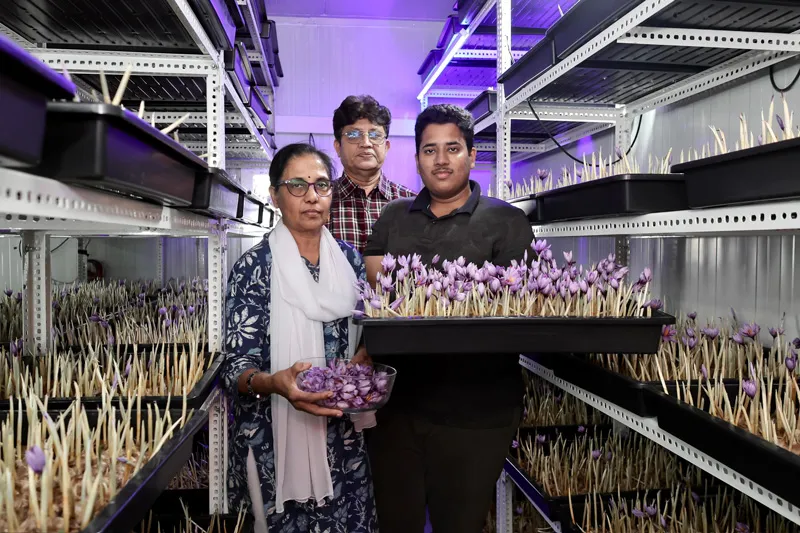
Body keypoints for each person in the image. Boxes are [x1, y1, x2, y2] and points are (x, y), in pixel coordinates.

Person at [363, 104, 535, 533]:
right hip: (397, 411)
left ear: (472, 155)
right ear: (417, 157)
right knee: (396, 522)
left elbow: (513, 306)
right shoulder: (393, 217)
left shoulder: (507, 221)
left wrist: (420, 290)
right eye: (429, 150)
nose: (440, 160)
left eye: (452, 148)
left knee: (458, 522)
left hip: (476, 412)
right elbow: (378, 292)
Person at [221, 143, 378, 533]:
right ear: (274, 195)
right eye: (297, 185)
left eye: (322, 185)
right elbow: (235, 370)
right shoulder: (254, 268)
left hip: (341, 436)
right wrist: (275, 382)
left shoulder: (349, 260)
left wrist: (366, 357)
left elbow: (363, 335)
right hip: (272, 439)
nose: (311, 196)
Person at [328, 94, 416, 253]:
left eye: (375, 135)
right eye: (354, 135)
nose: (366, 143)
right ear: (338, 147)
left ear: (386, 147)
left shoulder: (412, 203)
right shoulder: (319, 199)